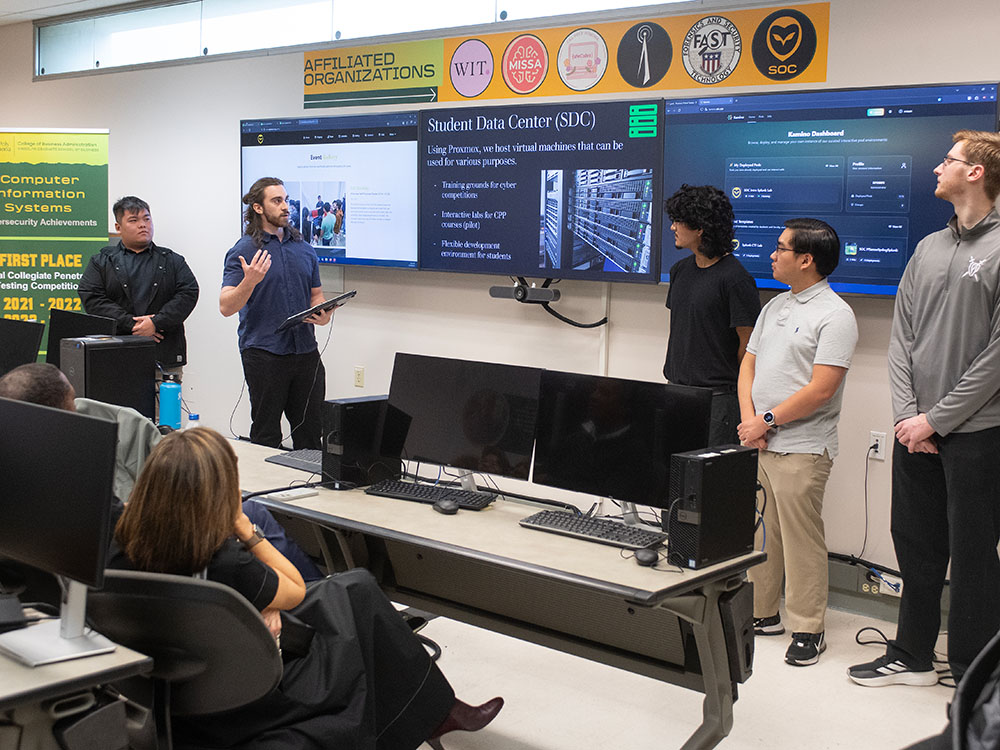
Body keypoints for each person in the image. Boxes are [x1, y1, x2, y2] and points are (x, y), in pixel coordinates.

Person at [109, 427, 503, 749]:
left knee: (354, 589)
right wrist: (246, 529)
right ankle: (432, 713)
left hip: (178, 688)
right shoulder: (227, 561)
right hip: (246, 696)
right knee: (360, 635)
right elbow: (295, 589)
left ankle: (438, 709)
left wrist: (262, 602)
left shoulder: (119, 548)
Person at [849, 130, 1000, 687]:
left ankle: (971, 671)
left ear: (978, 173)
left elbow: (997, 357)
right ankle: (911, 653)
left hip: (978, 431)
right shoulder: (928, 248)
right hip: (914, 430)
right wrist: (908, 417)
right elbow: (902, 337)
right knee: (915, 544)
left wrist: (937, 419)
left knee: (975, 554)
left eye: (950, 160)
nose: (939, 167)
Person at [737, 218, 858, 667]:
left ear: (806, 259)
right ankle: (762, 614)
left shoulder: (835, 315)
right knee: (761, 532)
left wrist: (766, 420)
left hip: (803, 445)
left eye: (781, 248)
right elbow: (747, 365)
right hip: (762, 441)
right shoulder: (774, 306)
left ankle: (809, 628)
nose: (773, 254)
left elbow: (821, 389)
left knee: (801, 539)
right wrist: (751, 420)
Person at [220, 177, 332, 449]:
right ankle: (264, 491)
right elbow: (226, 306)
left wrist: (324, 314)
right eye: (277, 201)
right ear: (258, 208)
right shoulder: (244, 250)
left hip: (305, 351)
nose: (286, 206)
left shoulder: (304, 249)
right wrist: (249, 281)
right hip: (265, 353)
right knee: (267, 432)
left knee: (311, 431)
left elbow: (316, 296)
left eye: (286, 200)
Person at [663, 184, 760, 446]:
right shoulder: (679, 270)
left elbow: (748, 344)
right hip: (676, 391)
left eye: (678, 221)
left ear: (700, 228)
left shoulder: (735, 279)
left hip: (718, 400)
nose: (673, 227)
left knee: (707, 480)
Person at [78, 196, 199, 375]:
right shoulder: (102, 261)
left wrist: (156, 323)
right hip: (116, 355)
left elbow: (188, 293)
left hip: (164, 355)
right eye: (133, 220)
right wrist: (133, 326)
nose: (143, 225)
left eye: (146, 218)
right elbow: (92, 297)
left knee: (165, 403)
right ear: (118, 228)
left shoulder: (172, 260)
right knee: (119, 403)